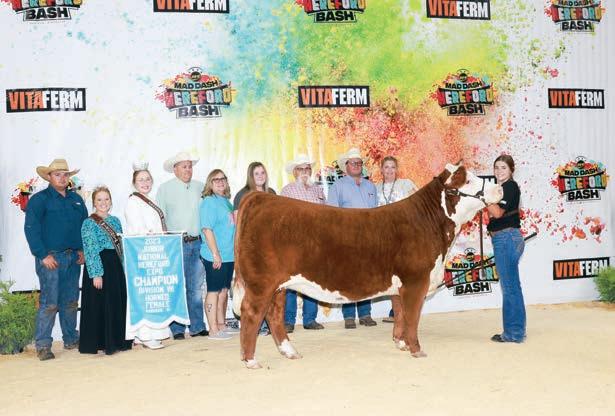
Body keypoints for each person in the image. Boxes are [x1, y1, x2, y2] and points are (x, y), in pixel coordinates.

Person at [24, 159, 88, 361]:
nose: (62, 178)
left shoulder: (76, 200)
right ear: (49, 177)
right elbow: (31, 228)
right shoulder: (39, 200)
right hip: (51, 257)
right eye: (57, 174)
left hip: (72, 256)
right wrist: (42, 254)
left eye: (65, 174)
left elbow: (84, 226)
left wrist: (82, 249)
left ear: (69, 177)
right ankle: (43, 345)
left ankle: (71, 338)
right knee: (49, 302)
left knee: (71, 301)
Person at [156, 152, 208, 340]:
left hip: (198, 242)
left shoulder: (201, 187)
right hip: (175, 243)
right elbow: (160, 217)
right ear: (175, 169)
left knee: (195, 287)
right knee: (176, 286)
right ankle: (177, 329)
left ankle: (197, 326)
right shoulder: (164, 189)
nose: (188, 170)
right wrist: (164, 242)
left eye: (190, 166)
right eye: (184, 166)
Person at [326, 148, 378, 329]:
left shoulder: (371, 186)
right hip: (346, 237)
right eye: (353, 162)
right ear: (346, 166)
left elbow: (376, 212)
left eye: (359, 162)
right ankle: (349, 316)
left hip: (368, 237)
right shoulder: (337, 186)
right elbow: (331, 213)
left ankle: (365, 314)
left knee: (367, 276)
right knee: (348, 276)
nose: (356, 165)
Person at [79, 187, 132, 355]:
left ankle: (117, 340)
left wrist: (124, 267)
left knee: (115, 303)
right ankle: (102, 342)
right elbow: (90, 249)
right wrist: (96, 274)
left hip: (115, 266)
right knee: (101, 304)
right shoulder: (88, 223)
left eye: (106, 199)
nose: (103, 203)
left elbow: (121, 246)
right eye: (99, 200)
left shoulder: (116, 221)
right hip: (100, 265)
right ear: (94, 203)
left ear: (111, 201)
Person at [123, 162, 169, 349]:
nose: (145, 182)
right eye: (141, 180)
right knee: (144, 295)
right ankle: (144, 334)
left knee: (153, 295)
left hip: (155, 253)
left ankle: (151, 333)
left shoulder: (152, 200)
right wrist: (151, 235)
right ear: (134, 183)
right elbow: (137, 229)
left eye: (148, 179)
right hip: (142, 254)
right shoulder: (132, 202)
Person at [281, 154, 325, 333]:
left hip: (315, 242)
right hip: (294, 243)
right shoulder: (287, 191)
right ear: (294, 172)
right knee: (291, 282)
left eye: (307, 168)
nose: (305, 172)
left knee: (312, 281)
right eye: (301, 169)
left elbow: (325, 215)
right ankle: (288, 320)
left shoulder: (318, 190)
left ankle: (310, 319)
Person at [486, 154, 526, 343]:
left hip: (506, 238)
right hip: (506, 238)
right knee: (512, 286)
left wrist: (484, 198)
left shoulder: (509, 186)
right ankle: (516, 330)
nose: (499, 171)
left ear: (511, 170)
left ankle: (514, 333)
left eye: (503, 167)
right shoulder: (501, 189)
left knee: (510, 287)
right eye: (496, 167)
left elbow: (497, 213)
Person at [233, 161, 276, 335]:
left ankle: (268, 324)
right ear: (251, 176)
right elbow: (238, 222)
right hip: (252, 246)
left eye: (262, 173)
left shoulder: (271, 193)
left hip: (271, 246)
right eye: (256, 173)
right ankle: (252, 324)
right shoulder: (242, 195)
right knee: (254, 287)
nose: (260, 176)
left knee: (270, 286)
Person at [375, 156, 419, 322]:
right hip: (384, 238)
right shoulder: (375, 188)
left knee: (407, 276)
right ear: (381, 170)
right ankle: (396, 314)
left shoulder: (406, 184)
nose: (389, 170)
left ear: (397, 169)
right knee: (392, 277)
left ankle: (407, 313)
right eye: (386, 167)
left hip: (405, 237)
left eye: (392, 167)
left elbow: (418, 205)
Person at [199, 170, 237, 340]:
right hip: (215, 255)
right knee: (214, 291)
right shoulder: (209, 202)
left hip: (229, 254)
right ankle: (213, 329)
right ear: (210, 183)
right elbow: (207, 229)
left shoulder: (226, 202)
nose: (220, 182)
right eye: (216, 179)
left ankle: (221, 325)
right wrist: (215, 254)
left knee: (223, 291)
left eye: (223, 179)